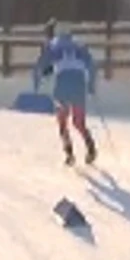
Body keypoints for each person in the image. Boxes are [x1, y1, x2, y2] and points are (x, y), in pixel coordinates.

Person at [31, 20, 99, 165]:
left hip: (63, 84)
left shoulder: (52, 44)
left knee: (62, 120)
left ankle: (69, 153)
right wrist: (91, 85)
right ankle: (91, 147)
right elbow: (92, 66)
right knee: (79, 122)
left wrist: (36, 83)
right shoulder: (80, 45)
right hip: (79, 84)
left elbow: (40, 66)